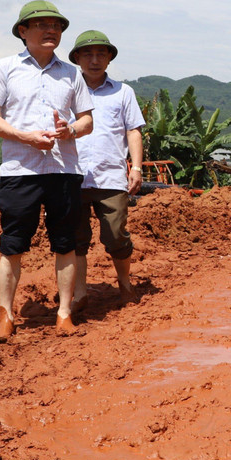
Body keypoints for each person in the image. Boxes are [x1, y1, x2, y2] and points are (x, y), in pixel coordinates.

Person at [0, 0, 94, 343]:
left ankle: (64, 313)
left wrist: (70, 130)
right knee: (12, 243)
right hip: (21, 170)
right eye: (42, 25)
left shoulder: (72, 73)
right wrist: (25, 137)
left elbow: (87, 120)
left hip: (64, 170)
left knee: (66, 243)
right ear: (23, 32)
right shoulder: (4, 68)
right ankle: (7, 314)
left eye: (56, 26)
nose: (51, 31)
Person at [68, 30, 145, 308]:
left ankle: (124, 282)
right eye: (88, 54)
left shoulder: (123, 92)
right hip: (72, 176)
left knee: (115, 235)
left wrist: (135, 167)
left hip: (110, 176)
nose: (95, 59)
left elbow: (133, 131)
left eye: (101, 54)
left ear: (110, 59)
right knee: (76, 238)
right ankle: (79, 293)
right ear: (77, 58)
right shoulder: (67, 90)